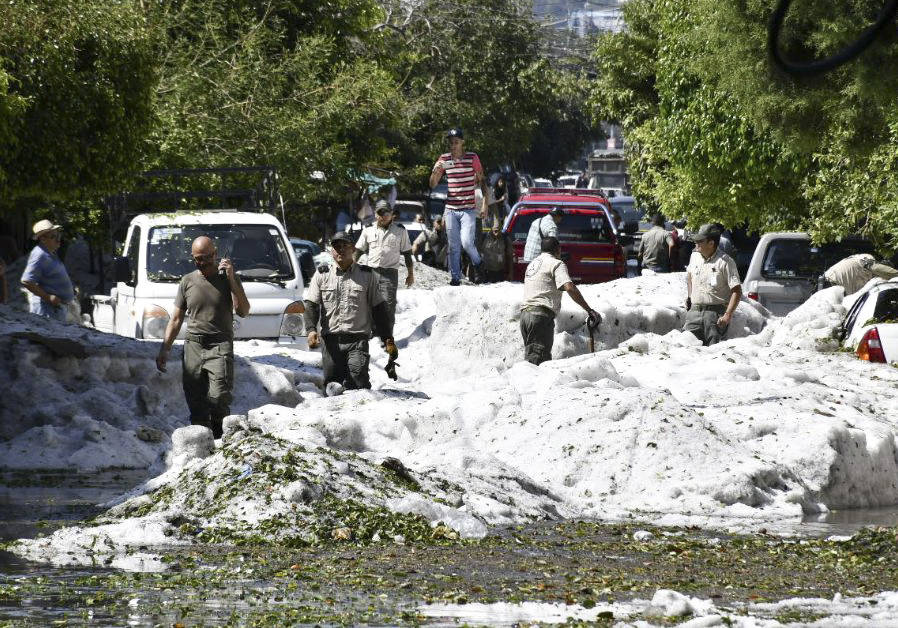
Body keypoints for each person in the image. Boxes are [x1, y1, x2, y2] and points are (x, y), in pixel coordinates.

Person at [155, 236, 250, 438]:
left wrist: (232, 277)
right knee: (195, 400)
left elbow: (243, 310)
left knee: (219, 397)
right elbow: (176, 319)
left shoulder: (227, 278)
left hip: (220, 344)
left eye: (206, 257)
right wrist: (165, 348)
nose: (202, 262)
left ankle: (220, 439)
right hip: (194, 346)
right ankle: (201, 443)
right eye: (197, 259)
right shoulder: (187, 281)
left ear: (215, 255)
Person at [304, 232, 397, 392]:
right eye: (336, 247)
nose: (341, 250)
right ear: (331, 251)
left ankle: (361, 413)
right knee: (333, 385)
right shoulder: (322, 274)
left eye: (345, 246)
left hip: (357, 340)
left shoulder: (367, 275)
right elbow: (311, 304)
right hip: (330, 341)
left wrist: (387, 339)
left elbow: (379, 309)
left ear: (353, 249)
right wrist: (311, 330)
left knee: (357, 380)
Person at [520, 237, 600, 365]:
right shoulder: (557, 264)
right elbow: (569, 287)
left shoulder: (533, 264)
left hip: (525, 316)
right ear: (558, 249)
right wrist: (589, 310)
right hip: (540, 317)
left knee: (532, 359)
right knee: (537, 364)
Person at [429, 127, 489, 286]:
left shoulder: (472, 158)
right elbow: (433, 184)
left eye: (456, 142)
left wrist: (485, 204)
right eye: (451, 142)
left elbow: (482, 180)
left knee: (467, 242)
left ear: (462, 142)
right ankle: (455, 278)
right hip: (450, 209)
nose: (453, 145)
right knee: (453, 246)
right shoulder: (444, 159)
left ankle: (478, 263)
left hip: (468, 209)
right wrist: (435, 172)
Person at [354, 200, 414, 330]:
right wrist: (351, 268)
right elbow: (358, 251)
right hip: (371, 273)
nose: (383, 216)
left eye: (386, 213)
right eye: (379, 213)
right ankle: (371, 334)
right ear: (375, 214)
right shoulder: (368, 231)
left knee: (388, 305)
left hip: (389, 274)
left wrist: (410, 274)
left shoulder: (400, 231)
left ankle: (387, 337)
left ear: (392, 214)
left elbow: (408, 254)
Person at [684, 224, 742, 346]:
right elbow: (689, 277)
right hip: (694, 313)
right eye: (696, 240)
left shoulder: (725, 261)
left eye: (700, 241)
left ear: (711, 243)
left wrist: (727, 315)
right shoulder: (694, 256)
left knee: (713, 354)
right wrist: (690, 297)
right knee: (686, 349)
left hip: (715, 316)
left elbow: (736, 291)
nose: (696, 243)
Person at [21, 219, 74, 322]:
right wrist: (48, 297)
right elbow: (26, 281)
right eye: (54, 237)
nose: (58, 240)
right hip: (47, 310)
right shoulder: (39, 255)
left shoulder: (49, 253)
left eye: (58, 236)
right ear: (43, 239)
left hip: (55, 310)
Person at [823, 253, 898, 296]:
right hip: (830, 284)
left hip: (833, 287)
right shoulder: (868, 259)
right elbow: (877, 268)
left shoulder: (864, 274)